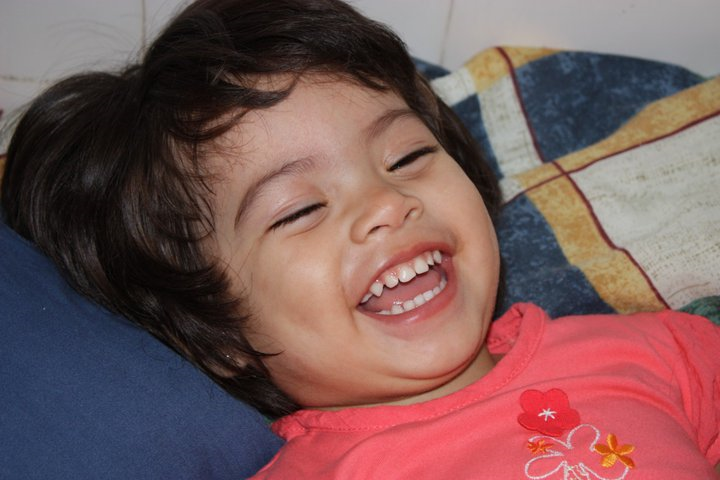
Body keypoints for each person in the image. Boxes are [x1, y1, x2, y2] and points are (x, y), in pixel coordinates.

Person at [1, 0, 718, 478]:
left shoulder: (661, 350)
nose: (385, 204)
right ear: (217, 333)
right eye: (299, 210)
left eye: (406, 157)